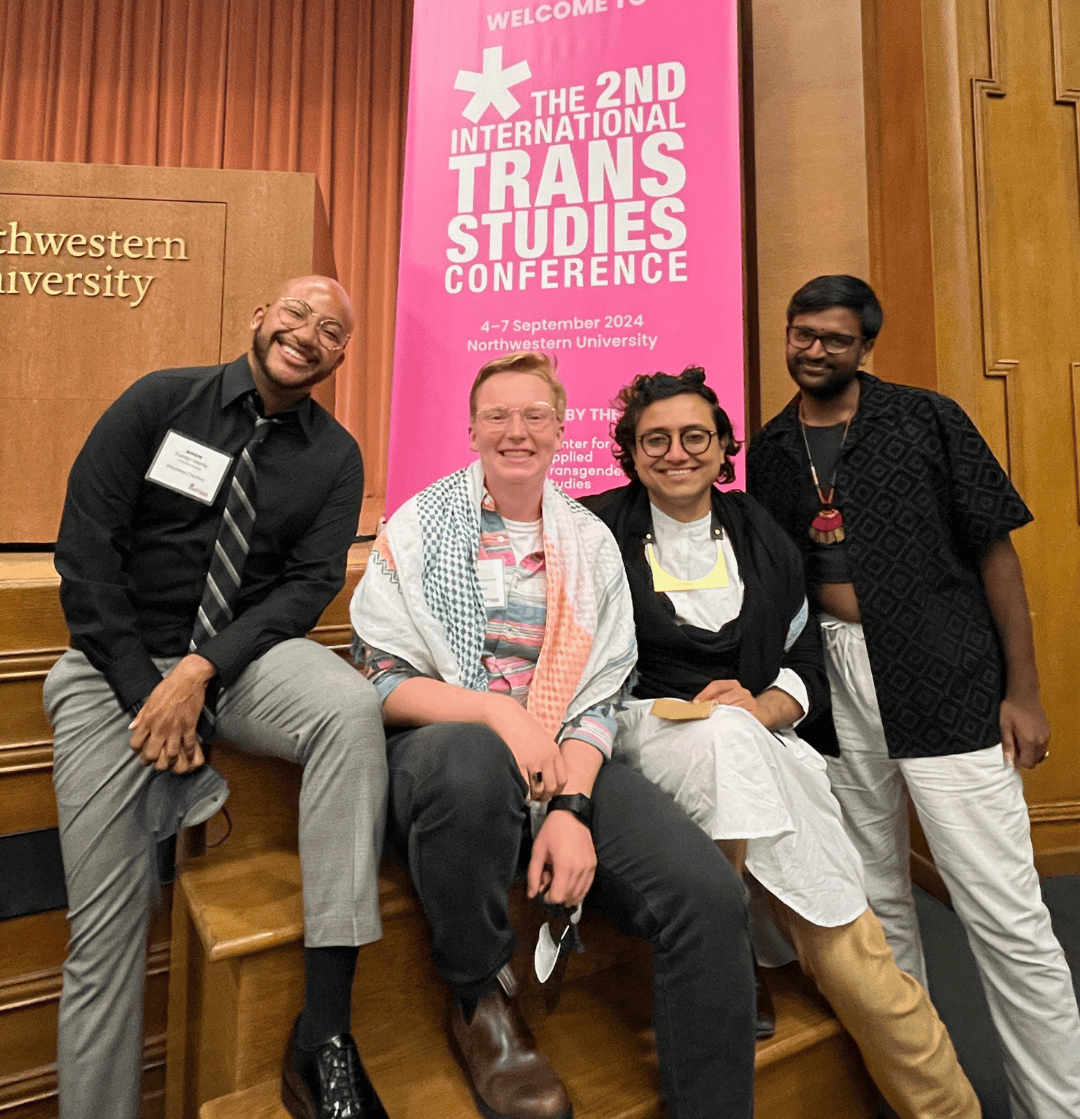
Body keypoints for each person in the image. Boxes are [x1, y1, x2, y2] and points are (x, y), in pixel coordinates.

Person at [350, 352, 756, 1119]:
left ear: (560, 429)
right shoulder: (415, 526)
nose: (516, 430)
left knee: (705, 896)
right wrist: (500, 715)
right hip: (442, 756)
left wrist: (572, 809)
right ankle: (477, 997)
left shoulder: (590, 541)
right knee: (473, 761)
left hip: (564, 758)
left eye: (535, 415)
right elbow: (379, 678)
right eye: (498, 415)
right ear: (471, 429)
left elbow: (602, 695)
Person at [584, 367, 979, 1119]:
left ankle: (950, 1107)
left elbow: (803, 661)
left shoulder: (759, 529)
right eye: (654, 439)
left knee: (846, 936)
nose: (676, 452)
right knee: (826, 902)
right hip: (642, 731)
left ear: (724, 446)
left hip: (757, 736)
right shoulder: (595, 529)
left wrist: (763, 706)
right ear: (630, 453)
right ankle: (732, 946)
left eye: (694, 436)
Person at [47, 276, 390, 1119]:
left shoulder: (333, 456)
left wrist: (201, 672)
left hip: (239, 662)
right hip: (113, 661)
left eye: (333, 331)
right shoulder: (160, 402)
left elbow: (306, 586)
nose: (310, 334)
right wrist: (146, 692)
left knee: (350, 708)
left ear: (342, 357)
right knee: (103, 938)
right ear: (258, 314)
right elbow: (85, 555)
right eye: (298, 314)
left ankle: (326, 1028)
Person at [747, 273, 1080, 1119]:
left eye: (832, 338)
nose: (812, 350)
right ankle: (929, 1097)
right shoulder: (772, 447)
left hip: (948, 679)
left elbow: (996, 554)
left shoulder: (927, 419)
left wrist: (1026, 691)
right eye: (800, 334)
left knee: (1005, 914)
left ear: (866, 346)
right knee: (879, 906)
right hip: (834, 686)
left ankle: (1058, 1106)